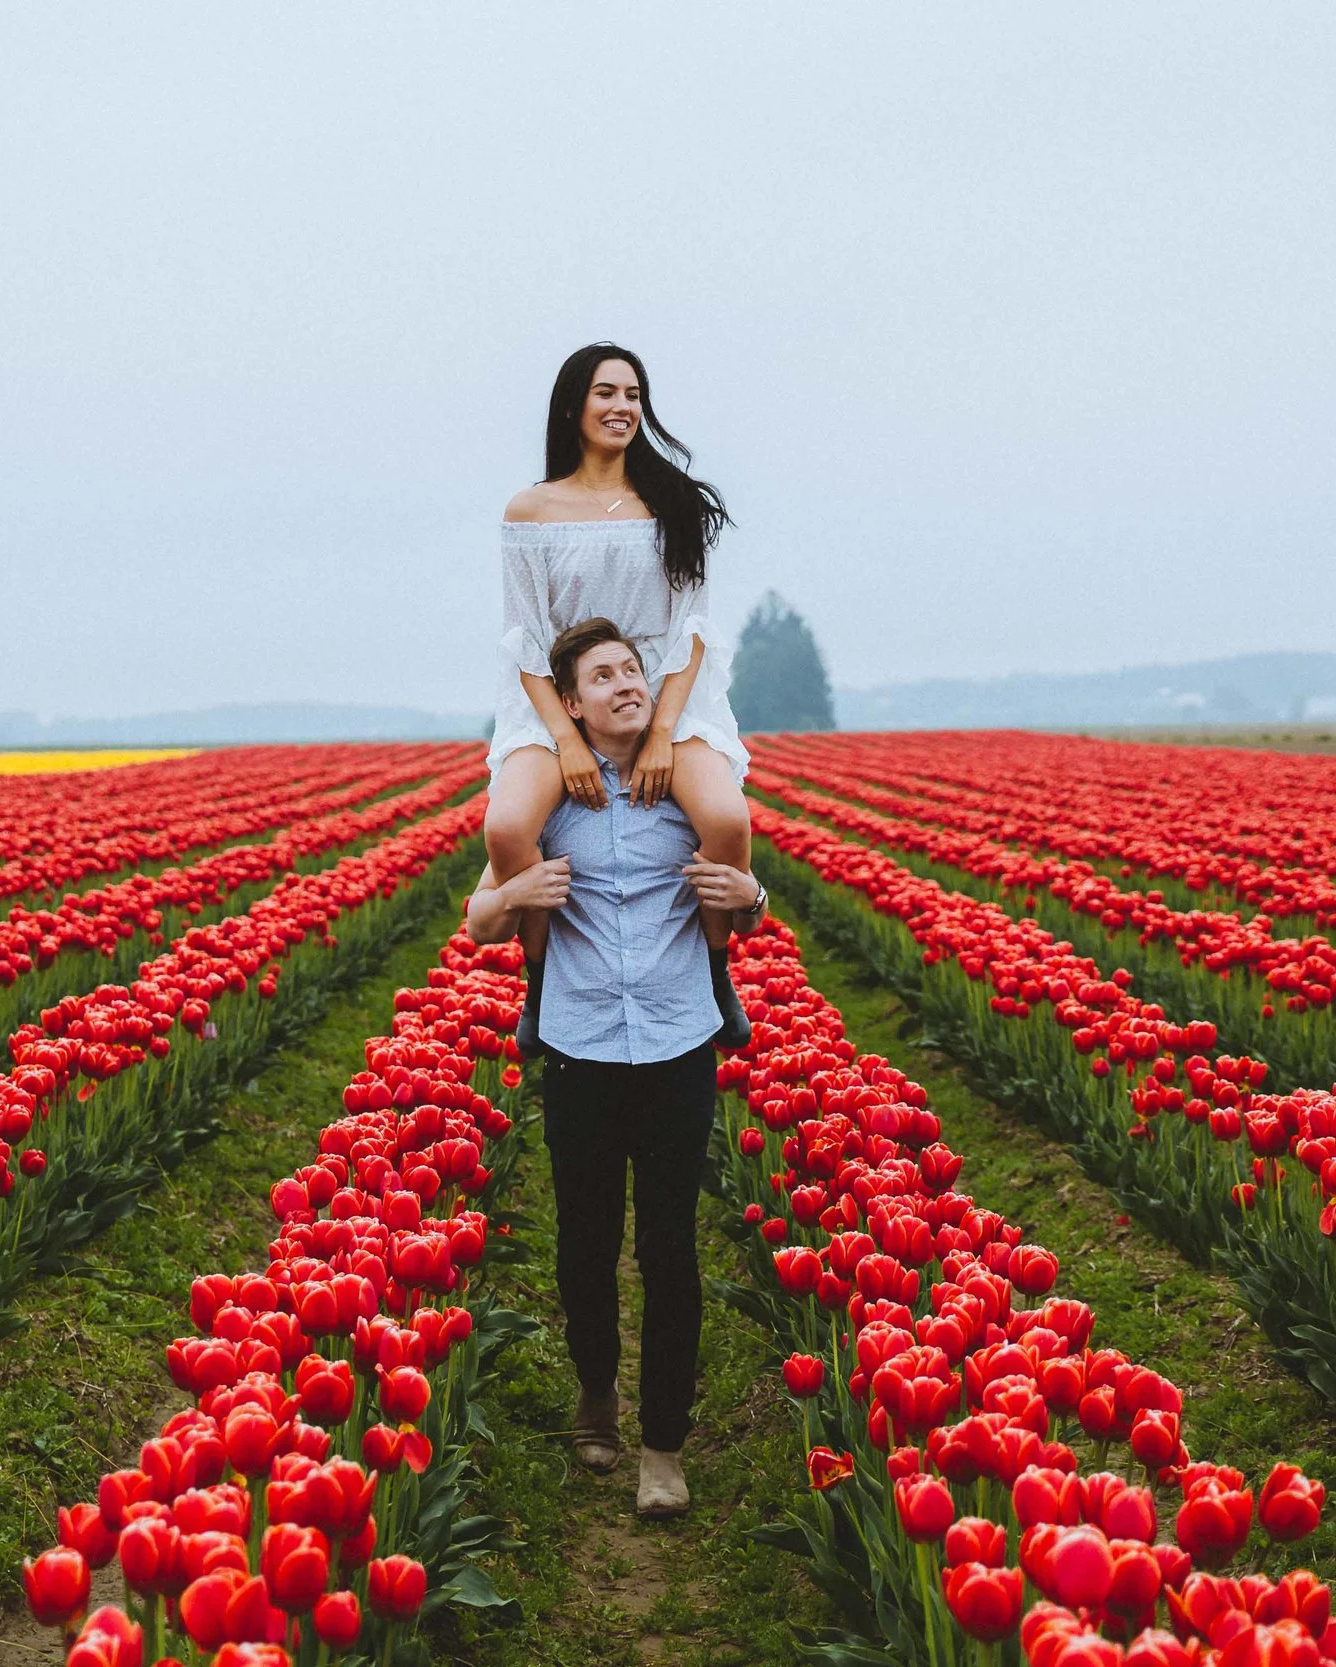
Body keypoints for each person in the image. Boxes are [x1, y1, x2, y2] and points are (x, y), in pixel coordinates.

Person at [467, 617, 767, 1519]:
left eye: (633, 669)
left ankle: (663, 1448)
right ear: (570, 704)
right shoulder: (551, 796)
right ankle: (596, 1391)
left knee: (670, 1251)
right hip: (581, 1048)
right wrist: (515, 894)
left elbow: (746, 891)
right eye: (603, 675)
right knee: (586, 1245)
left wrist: (752, 897)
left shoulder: (690, 786)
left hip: (677, 1045)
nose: (626, 683)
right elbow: (479, 918)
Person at [485, 342, 755, 1061]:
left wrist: (663, 732)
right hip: (560, 699)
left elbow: (692, 631)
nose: (622, 407)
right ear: (573, 405)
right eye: (606, 393)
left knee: (725, 818)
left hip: (661, 694)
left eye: (633, 395)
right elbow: (525, 640)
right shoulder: (531, 510)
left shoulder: (674, 501)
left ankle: (716, 969)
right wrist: (567, 740)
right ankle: (540, 982)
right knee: (508, 827)